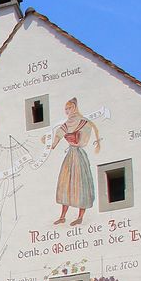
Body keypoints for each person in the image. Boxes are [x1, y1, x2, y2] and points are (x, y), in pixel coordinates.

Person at [45, 97, 101, 226]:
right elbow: (59, 133)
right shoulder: (67, 123)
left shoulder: (83, 122)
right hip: (70, 155)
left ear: (74, 108)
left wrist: (76, 140)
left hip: (78, 155)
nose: (67, 111)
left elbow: (84, 140)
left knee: (80, 184)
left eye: (69, 108)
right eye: (65, 109)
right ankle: (63, 216)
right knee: (65, 183)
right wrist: (51, 144)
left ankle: (80, 216)